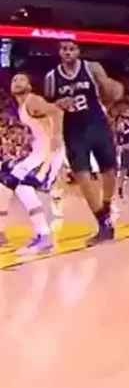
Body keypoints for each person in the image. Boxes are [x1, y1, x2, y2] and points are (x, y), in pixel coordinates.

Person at [43, 41, 123, 246]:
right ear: (59, 52)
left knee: (110, 170)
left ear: (78, 51)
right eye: (64, 49)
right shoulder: (51, 78)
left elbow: (110, 92)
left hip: (96, 123)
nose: (68, 52)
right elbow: (48, 107)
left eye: (72, 49)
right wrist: (57, 105)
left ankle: (105, 205)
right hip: (74, 130)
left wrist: (112, 91)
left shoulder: (92, 68)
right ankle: (102, 222)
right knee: (82, 175)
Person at [0, 74, 65, 256]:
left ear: (29, 86)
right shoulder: (22, 106)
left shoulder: (32, 100)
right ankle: (1, 233)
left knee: (23, 187)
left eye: (21, 80)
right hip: (37, 152)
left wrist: (58, 136)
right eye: (13, 80)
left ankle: (44, 236)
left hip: (49, 153)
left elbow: (57, 112)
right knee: (5, 185)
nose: (16, 82)